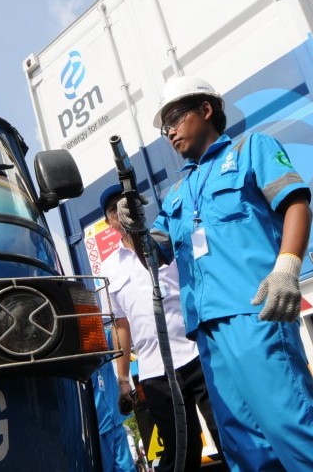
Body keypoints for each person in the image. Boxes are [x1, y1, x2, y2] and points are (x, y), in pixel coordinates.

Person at [117, 75, 313, 470]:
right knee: (245, 450)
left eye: (174, 116)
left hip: (254, 311)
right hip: (207, 331)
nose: (168, 130)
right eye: (163, 124)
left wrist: (288, 266)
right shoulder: (176, 194)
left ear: (205, 110)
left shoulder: (252, 148)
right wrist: (134, 229)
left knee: (292, 427)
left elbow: (296, 204)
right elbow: (155, 256)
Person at [99, 184, 222, 472]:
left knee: (227, 432)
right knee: (181, 452)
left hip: (198, 354)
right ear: (108, 222)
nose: (121, 211)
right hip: (156, 372)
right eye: (113, 208)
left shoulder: (166, 243)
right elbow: (120, 325)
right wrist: (122, 379)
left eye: (125, 203)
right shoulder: (108, 269)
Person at [92, 328, 137, 472]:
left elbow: (120, 333)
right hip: (97, 429)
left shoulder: (98, 334)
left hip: (114, 422)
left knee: (128, 469)